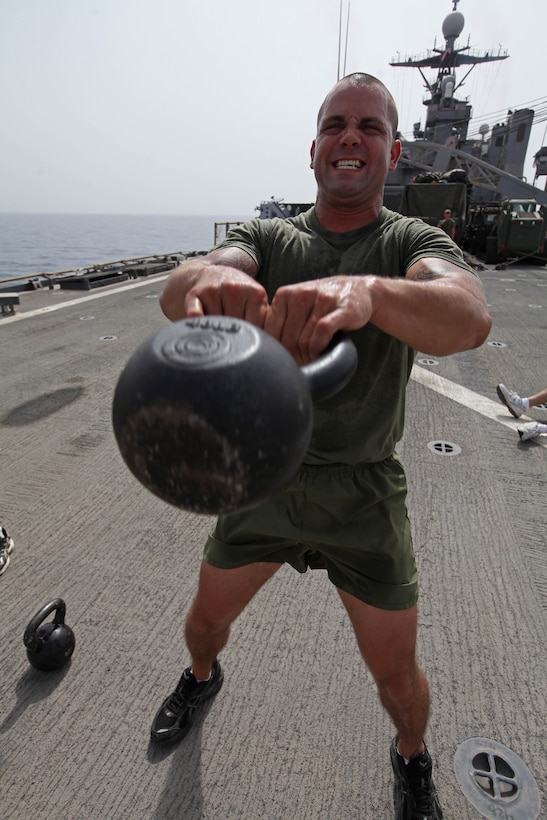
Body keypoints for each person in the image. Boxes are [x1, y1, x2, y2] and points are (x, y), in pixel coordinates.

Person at [153, 73, 491, 820]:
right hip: (264, 480)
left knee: (397, 682)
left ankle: (411, 756)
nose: (350, 136)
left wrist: (369, 294)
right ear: (313, 150)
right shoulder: (270, 238)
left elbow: (466, 314)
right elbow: (181, 290)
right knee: (203, 625)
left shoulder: (409, 240)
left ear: (392, 151)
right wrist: (212, 283)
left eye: (369, 127)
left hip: (363, 495)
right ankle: (202, 678)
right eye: (336, 124)